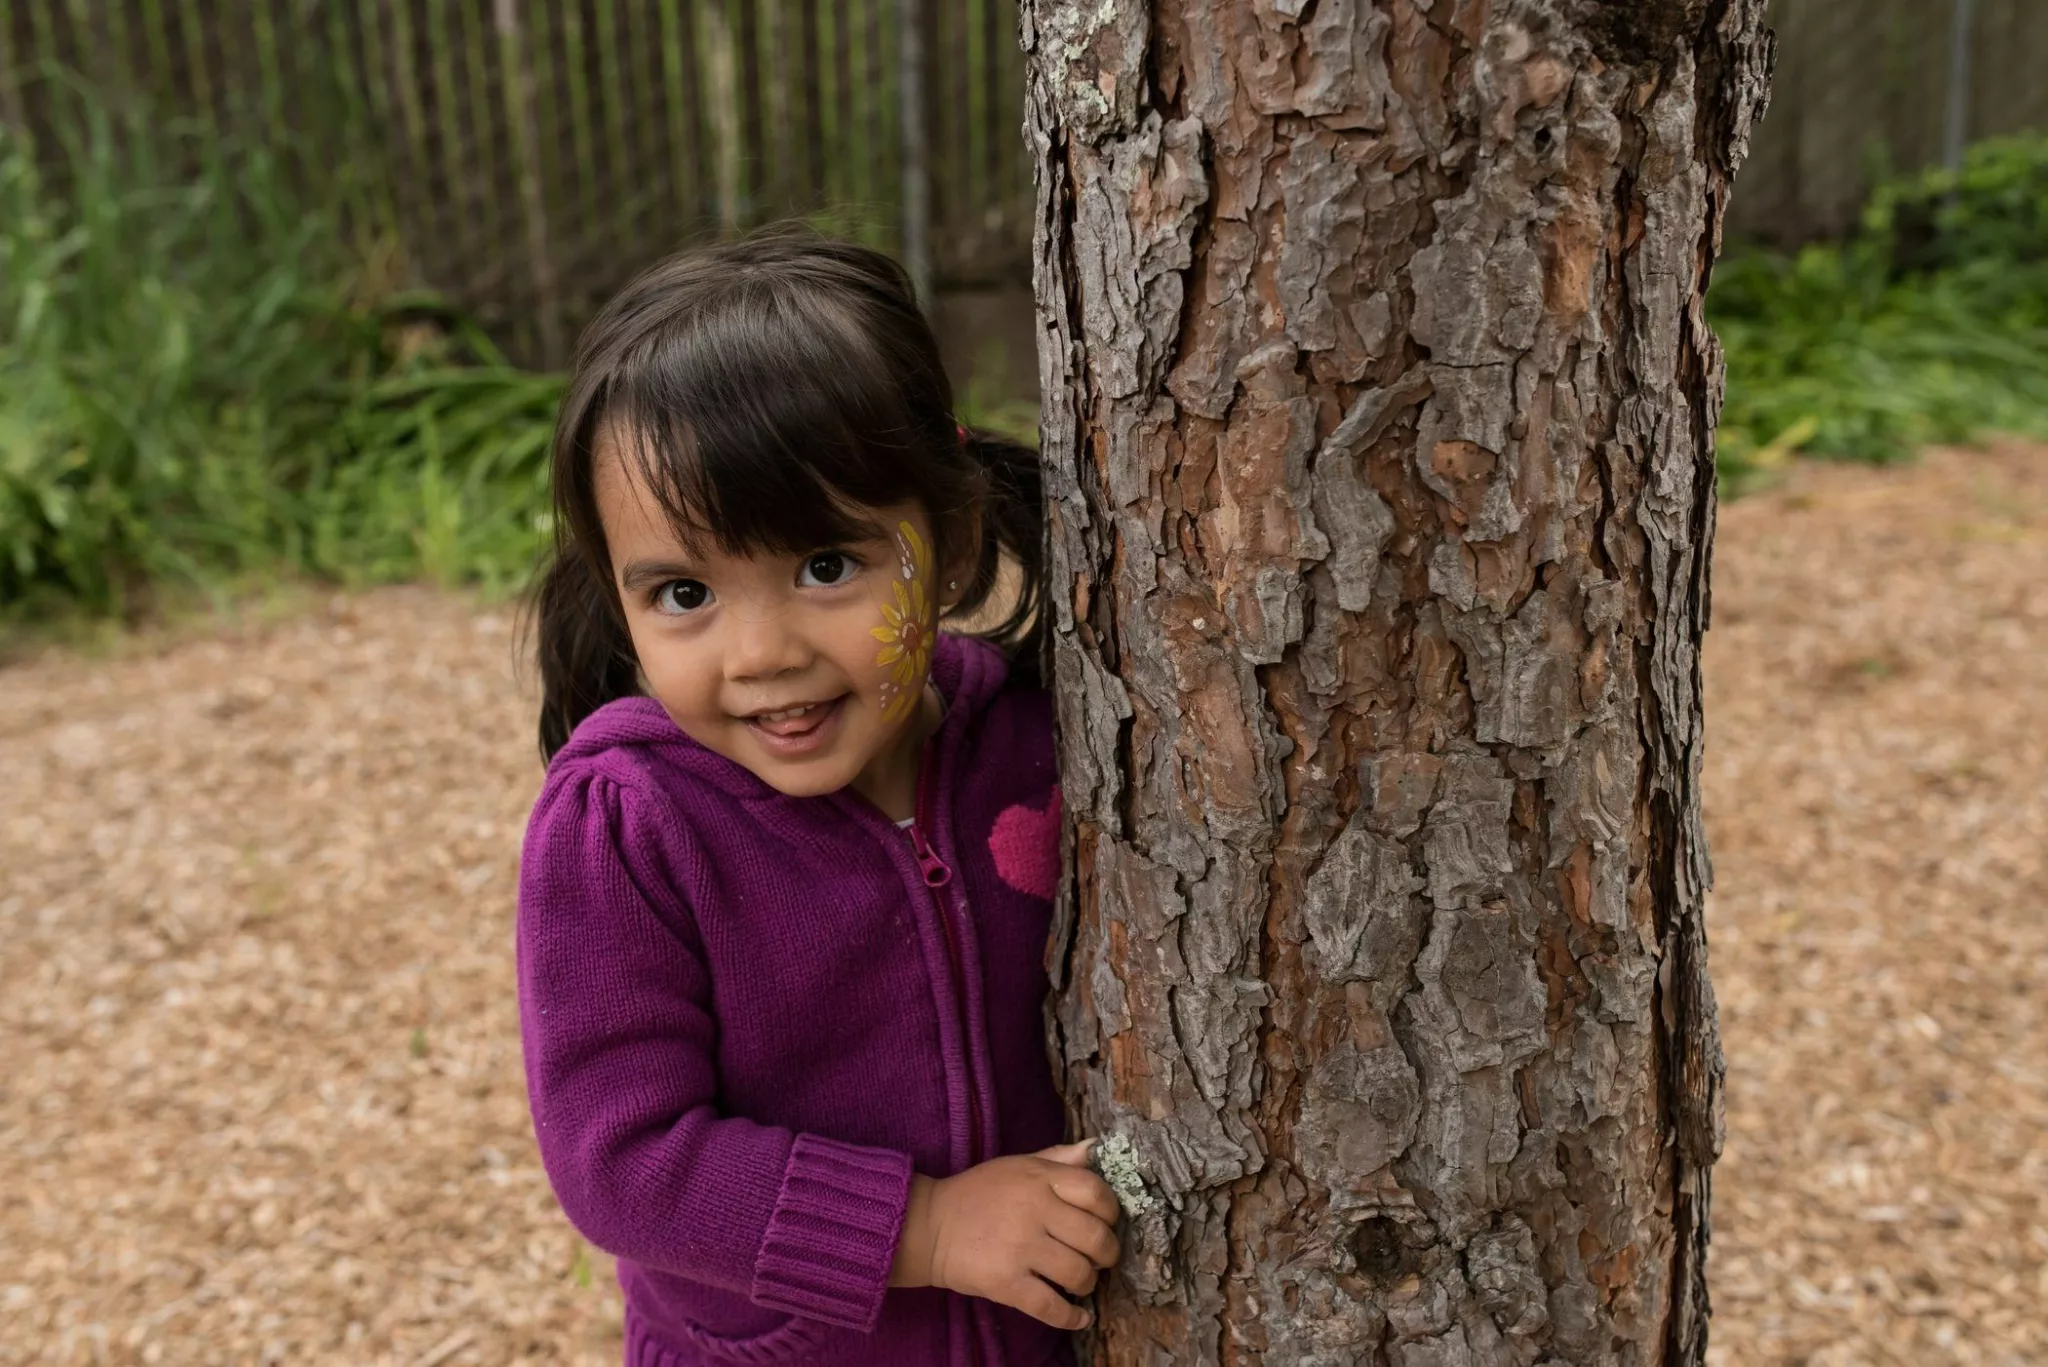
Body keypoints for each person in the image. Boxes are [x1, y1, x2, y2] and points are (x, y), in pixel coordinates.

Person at [516, 225, 1121, 1367]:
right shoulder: (632, 825)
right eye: (685, 591)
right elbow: (623, 1160)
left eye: (825, 566)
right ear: (617, 594)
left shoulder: (1039, 742)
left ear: (946, 547)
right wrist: (928, 1226)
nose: (759, 653)